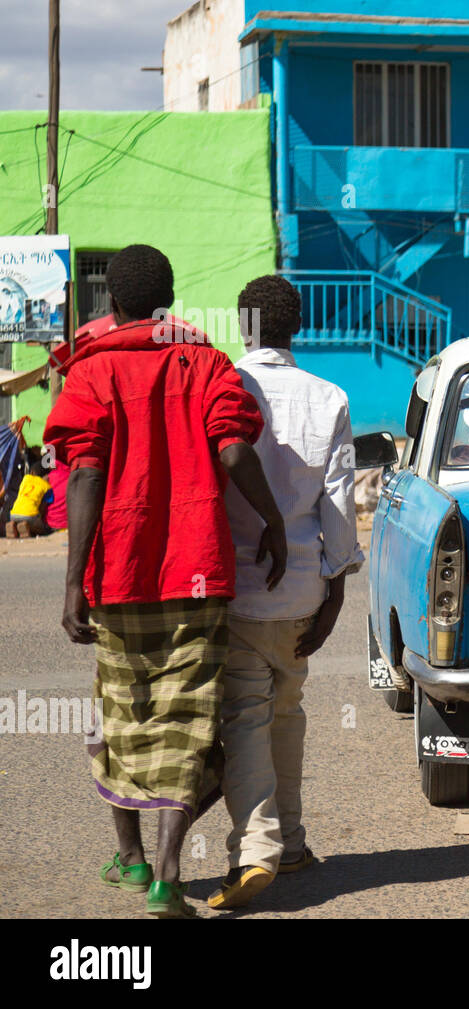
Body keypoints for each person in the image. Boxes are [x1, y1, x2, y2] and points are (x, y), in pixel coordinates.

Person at [43, 244, 287, 918]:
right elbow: (234, 448)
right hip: (199, 573)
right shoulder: (204, 361)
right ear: (168, 300)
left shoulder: (90, 369)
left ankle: (132, 857)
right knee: (188, 718)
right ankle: (167, 876)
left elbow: (86, 472)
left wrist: (73, 584)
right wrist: (273, 520)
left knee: (117, 717)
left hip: (118, 577)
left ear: (111, 304)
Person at [208, 275, 365, 910]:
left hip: (235, 588)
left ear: (243, 323)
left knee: (244, 715)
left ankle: (258, 850)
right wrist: (334, 595)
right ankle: (292, 843)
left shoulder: (221, 388)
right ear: (294, 327)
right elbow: (338, 505)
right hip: (302, 589)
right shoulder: (328, 397)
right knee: (286, 713)